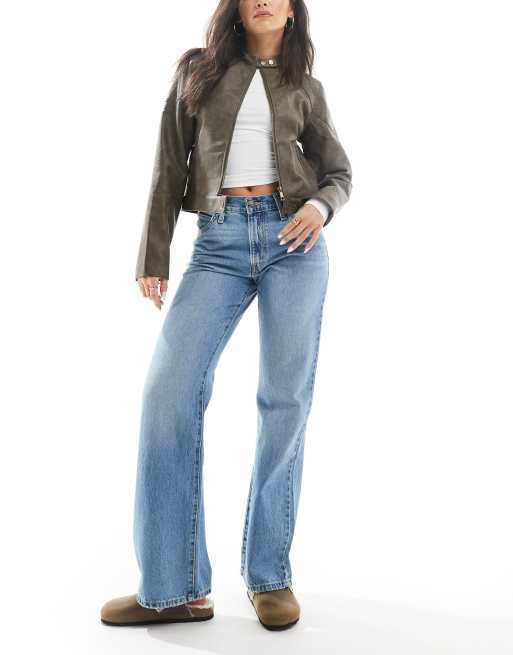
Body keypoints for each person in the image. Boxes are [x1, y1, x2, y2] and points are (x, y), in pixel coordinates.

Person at [101, 0, 352, 631]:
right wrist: (153, 255)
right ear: (237, 9)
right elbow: (168, 164)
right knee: (168, 393)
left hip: (295, 245)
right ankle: (173, 586)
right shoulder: (198, 73)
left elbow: (339, 173)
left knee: (284, 400)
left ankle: (270, 577)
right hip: (218, 243)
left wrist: (320, 208)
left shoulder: (306, 87)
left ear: (292, 13)